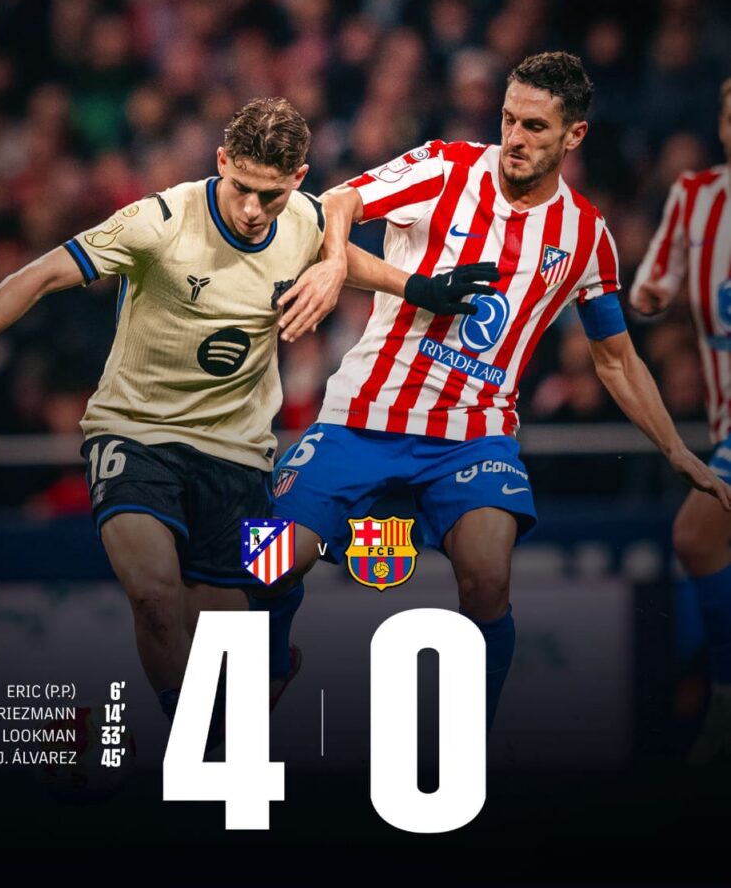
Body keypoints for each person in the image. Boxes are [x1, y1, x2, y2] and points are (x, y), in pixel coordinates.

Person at [0, 96, 492, 739]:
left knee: (224, 643)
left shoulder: (304, 219)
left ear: (298, 180)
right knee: (154, 595)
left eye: (270, 196)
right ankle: (196, 745)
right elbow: (42, 273)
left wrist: (417, 288)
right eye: (241, 187)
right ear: (222, 161)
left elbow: (336, 256)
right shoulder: (160, 221)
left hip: (236, 453)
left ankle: (232, 714)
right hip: (135, 434)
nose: (252, 210)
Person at [272, 52, 731, 730]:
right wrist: (338, 259)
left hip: (473, 435)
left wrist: (676, 451)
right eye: (509, 119)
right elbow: (336, 202)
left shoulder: (586, 236)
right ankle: (272, 662)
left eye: (535, 127)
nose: (514, 137)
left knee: (487, 578)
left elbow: (616, 360)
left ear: (574, 135)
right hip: (361, 414)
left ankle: (469, 745)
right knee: (267, 560)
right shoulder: (445, 166)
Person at [630, 76, 731, 762]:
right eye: (728, 112)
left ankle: (724, 696)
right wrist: (647, 297)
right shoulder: (696, 196)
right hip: (723, 422)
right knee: (699, 540)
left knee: (696, 533)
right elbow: (652, 287)